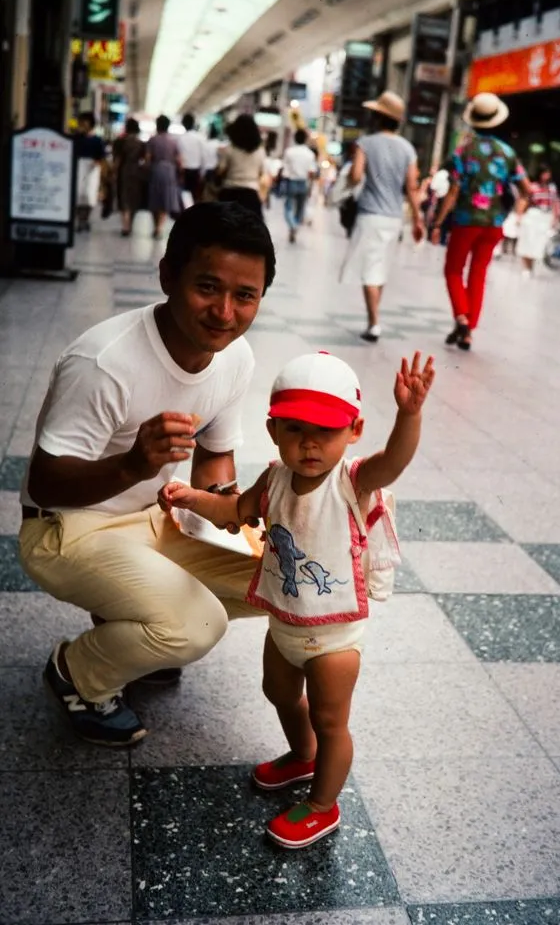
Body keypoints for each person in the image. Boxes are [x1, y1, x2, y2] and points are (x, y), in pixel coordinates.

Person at [18, 202, 276, 748]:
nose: (225, 312)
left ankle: (136, 631)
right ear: (167, 276)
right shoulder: (105, 361)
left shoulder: (234, 357)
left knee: (279, 579)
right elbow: (44, 484)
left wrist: (230, 507)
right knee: (198, 625)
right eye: (207, 287)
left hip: (157, 519)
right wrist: (135, 464)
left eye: (245, 295)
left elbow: (213, 455)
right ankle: (78, 674)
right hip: (66, 530)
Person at [160, 349, 435, 848]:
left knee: (332, 720)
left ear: (353, 431)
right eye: (294, 429)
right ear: (272, 431)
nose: (309, 443)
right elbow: (234, 510)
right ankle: (303, 755)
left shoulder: (352, 482)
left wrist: (409, 416)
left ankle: (323, 805)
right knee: (280, 693)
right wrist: (191, 497)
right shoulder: (274, 478)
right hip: (285, 622)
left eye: (326, 430)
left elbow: (393, 462)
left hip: (332, 635)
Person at [431, 92, 531, 351]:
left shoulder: (463, 152)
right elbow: (527, 189)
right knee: (478, 273)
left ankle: (462, 318)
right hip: (494, 224)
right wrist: (514, 209)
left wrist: (438, 222)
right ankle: (467, 332)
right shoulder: (507, 153)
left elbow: (453, 192)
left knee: (453, 270)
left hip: (466, 221)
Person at [339, 91, 424, 342]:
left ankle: (374, 323)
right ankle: (374, 318)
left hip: (370, 216)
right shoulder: (408, 148)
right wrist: (418, 219)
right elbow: (411, 187)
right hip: (394, 218)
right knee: (380, 267)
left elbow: (355, 176)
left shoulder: (366, 143)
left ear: (378, 117)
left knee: (370, 269)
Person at [204, 114, 266, 219]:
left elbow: (220, 171)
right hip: (251, 196)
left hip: (229, 193)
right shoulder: (260, 151)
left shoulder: (229, 149)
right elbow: (262, 173)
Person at [516, 164, 560, 278]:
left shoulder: (552, 188)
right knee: (528, 241)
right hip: (533, 215)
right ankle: (526, 267)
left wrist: (557, 216)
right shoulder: (532, 187)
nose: (547, 176)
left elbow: (556, 203)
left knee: (539, 243)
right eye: (545, 173)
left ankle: (531, 267)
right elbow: (524, 201)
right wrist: (519, 215)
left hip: (545, 216)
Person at [146, 114, 181, 240]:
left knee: (155, 197)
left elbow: (147, 158)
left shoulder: (152, 140)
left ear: (157, 125)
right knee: (165, 199)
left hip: (155, 170)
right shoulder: (173, 142)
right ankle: (159, 227)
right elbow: (179, 160)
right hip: (169, 171)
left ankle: (155, 226)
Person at [282, 129, 319, 243]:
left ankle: (292, 225)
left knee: (288, 207)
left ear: (295, 138)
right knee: (300, 208)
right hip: (303, 183)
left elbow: (285, 170)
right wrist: (310, 187)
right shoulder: (310, 154)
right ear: (305, 139)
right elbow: (312, 172)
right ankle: (296, 225)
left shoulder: (289, 152)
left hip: (291, 181)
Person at [112, 117, 146, 237]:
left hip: (124, 171)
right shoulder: (141, 143)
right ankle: (130, 224)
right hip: (137, 172)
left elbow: (117, 160)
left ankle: (125, 226)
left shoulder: (120, 142)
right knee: (134, 198)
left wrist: (114, 173)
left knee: (124, 197)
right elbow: (144, 159)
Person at [74, 112, 105, 233]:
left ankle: (85, 219)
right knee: (77, 194)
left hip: (92, 170)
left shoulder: (97, 140)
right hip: (78, 167)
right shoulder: (76, 138)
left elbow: (101, 157)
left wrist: (97, 164)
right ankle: (80, 220)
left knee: (89, 195)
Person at [179, 113, 206, 203]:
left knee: (185, 198)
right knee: (196, 198)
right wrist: (202, 173)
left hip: (184, 172)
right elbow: (203, 157)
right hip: (196, 171)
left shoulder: (180, 139)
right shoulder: (200, 138)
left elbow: (179, 157)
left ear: (183, 124)